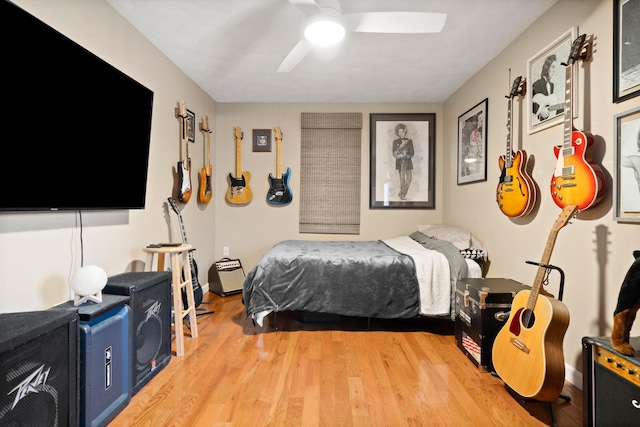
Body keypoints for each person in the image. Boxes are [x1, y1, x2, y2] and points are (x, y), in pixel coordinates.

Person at [532, 54, 563, 121]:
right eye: (553, 67)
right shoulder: (537, 84)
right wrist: (540, 110)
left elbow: (549, 103)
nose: (554, 71)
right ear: (547, 68)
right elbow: (529, 103)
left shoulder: (552, 85)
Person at [392, 123, 415, 200]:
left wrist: (406, 156)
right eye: (399, 132)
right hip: (400, 162)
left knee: (409, 178)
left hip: (408, 162)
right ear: (397, 133)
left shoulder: (409, 141)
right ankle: (403, 195)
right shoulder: (395, 142)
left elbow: (412, 153)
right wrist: (400, 155)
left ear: (405, 131)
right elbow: (394, 154)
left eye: (402, 131)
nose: (400, 133)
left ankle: (402, 193)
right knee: (402, 179)